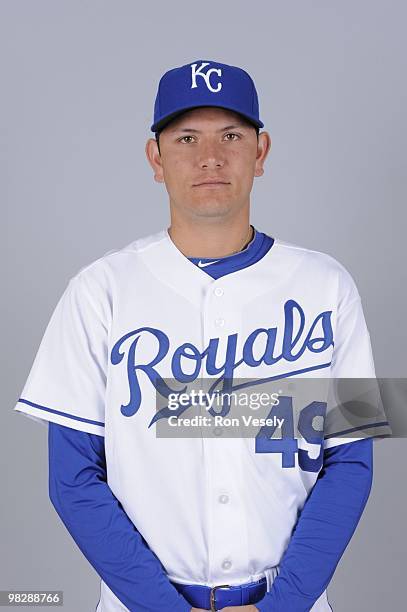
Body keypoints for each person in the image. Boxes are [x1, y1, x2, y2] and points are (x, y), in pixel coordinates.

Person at [13, 59, 391, 612]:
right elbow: (72, 478)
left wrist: (283, 605)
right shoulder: (100, 291)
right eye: (186, 137)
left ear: (261, 153)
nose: (210, 157)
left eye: (231, 135)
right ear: (155, 157)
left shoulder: (328, 286)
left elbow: (350, 460)